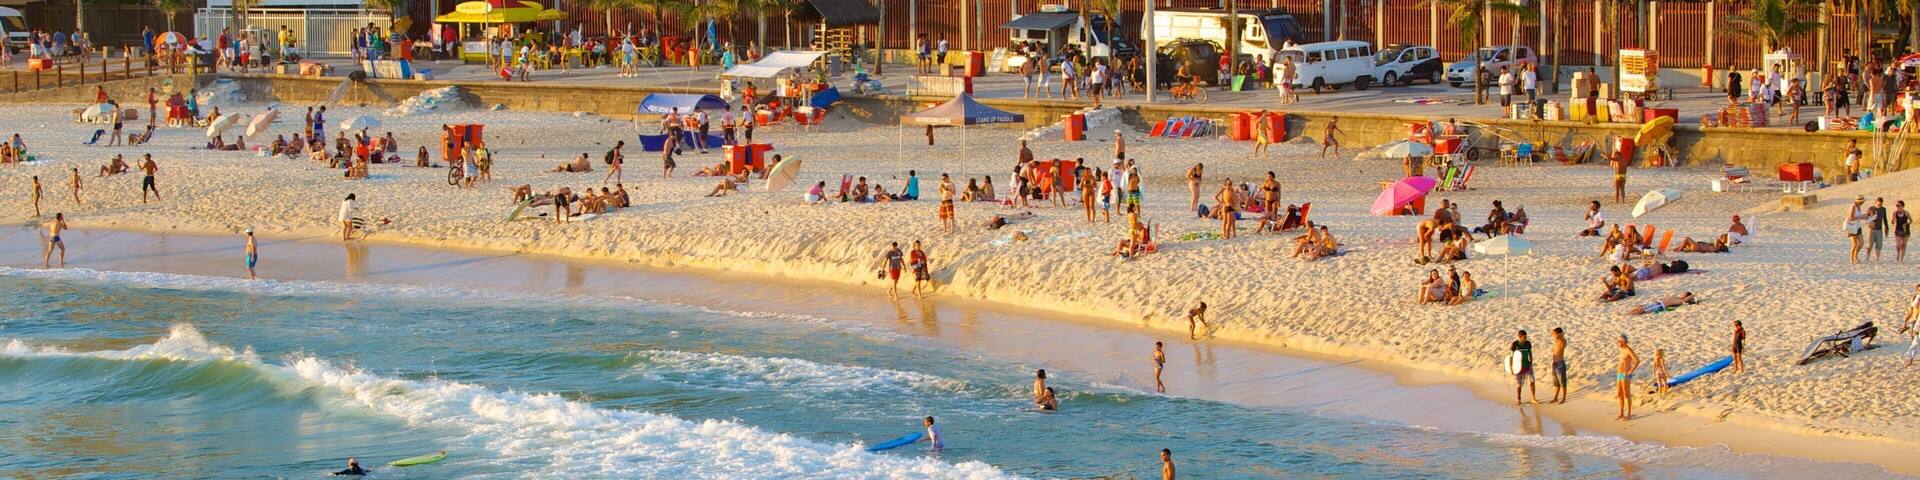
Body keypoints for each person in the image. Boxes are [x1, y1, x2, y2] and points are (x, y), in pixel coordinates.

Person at [1615, 334, 1640, 420]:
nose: (1617, 342)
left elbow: (1637, 360)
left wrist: (1631, 371)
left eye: (1619, 341)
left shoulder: (1628, 350)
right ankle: (1621, 413)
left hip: (1626, 374)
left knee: (1626, 394)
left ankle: (1629, 414)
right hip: (1619, 374)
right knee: (1620, 393)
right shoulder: (1621, 350)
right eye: (1617, 341)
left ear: (1623, 342)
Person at [1509, 330, 1537, 404]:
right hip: (1518, 368)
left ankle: (1534, 398)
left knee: (1532, 382)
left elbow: (1530, 354)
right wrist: (1511, 368)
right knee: (1519, 385)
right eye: (1524, 337)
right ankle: (1519, 399)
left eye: (1526, 336)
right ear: (1519, 337)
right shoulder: (1514, 344)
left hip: (1527, 366)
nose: (1525, 338)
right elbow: (1511, 357)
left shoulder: (1528, 343)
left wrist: (1531, 363)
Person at [1625, 291, 1695, 315]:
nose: (1682, 293)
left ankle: (1629, 315)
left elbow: (1686, 300)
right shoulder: (1678, 298)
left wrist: (1694, 295)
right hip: (1658, 302)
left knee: (1643, 310)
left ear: (1686, 296)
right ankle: (1628, 313)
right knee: (1640, 306)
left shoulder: (1681, 300)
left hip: (1660, 305)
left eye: (1684, 293)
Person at [1549, 327, 1568, 404]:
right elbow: (1553, 334)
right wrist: (1555, 334)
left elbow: (1562, 341)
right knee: (1555, 382)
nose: (1553, 335)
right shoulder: (1556, 340)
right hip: (1554, 363)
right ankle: (1555, 397)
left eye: (1554, 333)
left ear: (1559, 334)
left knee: (1562, 382)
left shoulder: (1562, 340)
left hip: (1560, 363)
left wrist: (1561, 335)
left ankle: (1563, 398)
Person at [1868, 197, 1889, 263]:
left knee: (1879, 245)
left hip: (1879, 230)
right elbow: (1866, 218)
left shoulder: (1883, 209)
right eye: (1879, 204)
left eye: (1881, 204)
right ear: (1876, 202)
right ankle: (1867, 257)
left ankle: (1877, 259)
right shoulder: (1871, 208)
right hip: (1871, 229)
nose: (1880, 206)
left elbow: (1885, 219)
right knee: (1870, 244)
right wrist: (1872, 218)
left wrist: (1887, 227)